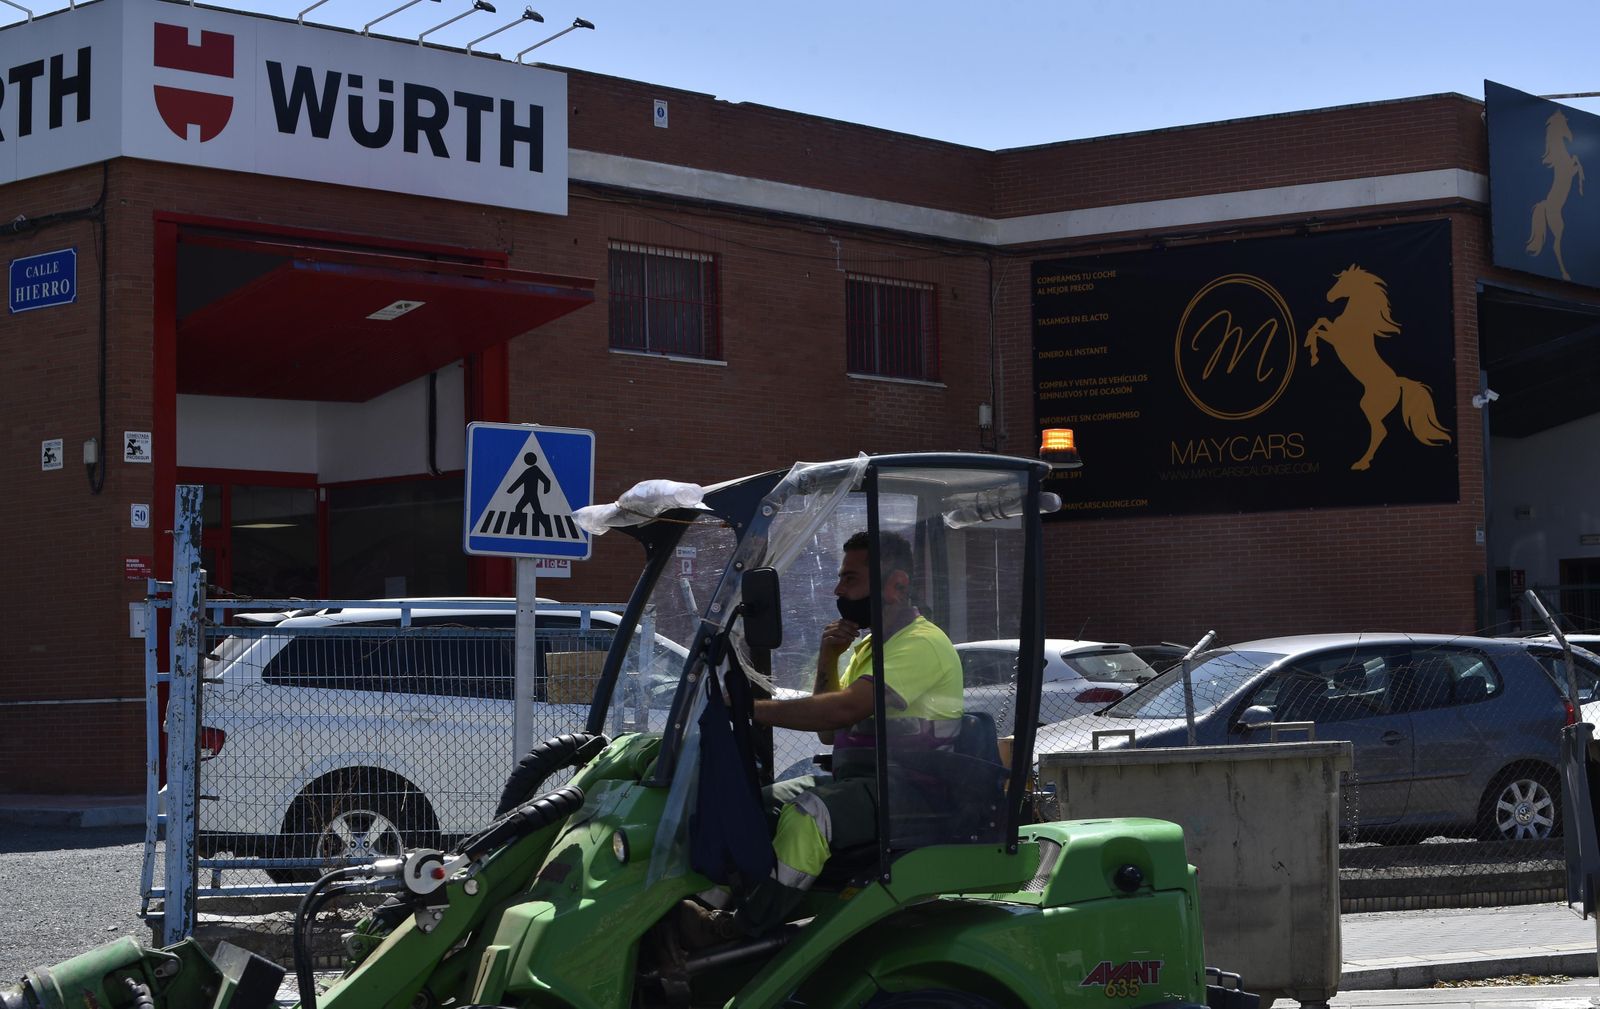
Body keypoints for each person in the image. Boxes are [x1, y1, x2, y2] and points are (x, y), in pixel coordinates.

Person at [685, 530, 964, 943]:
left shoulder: (923, 644)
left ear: (897, 585)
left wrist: (748, 709)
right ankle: (701, 907)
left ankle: (739, 927)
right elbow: (830, 733)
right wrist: (829, 656)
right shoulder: (870, 649)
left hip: (909, 790)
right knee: (747, 806)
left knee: (807, 815)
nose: (837, 589)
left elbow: (843, 708)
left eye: (850, 579)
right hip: (863, 784)